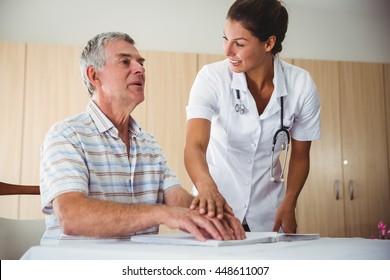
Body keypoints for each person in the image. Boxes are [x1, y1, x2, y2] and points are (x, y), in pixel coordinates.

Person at [39, 32, 245, 245]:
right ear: (94, 75)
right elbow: (72, 216)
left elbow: (177, 199)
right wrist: (163, 213)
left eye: (140, 62)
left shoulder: (149, 144)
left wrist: (212, 214)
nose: (139, 68)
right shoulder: (66, 135)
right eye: (125, 61)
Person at [184, 0, 320, 233]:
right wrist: (207, 188)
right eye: (225, 38)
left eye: (239, 43)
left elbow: (300, 156)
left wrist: (290, 201)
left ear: (268, 43)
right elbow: (194, 145)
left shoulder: (301, 84)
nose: (227, 51)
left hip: (268, 211)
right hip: (216, 209)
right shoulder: (212, 78)